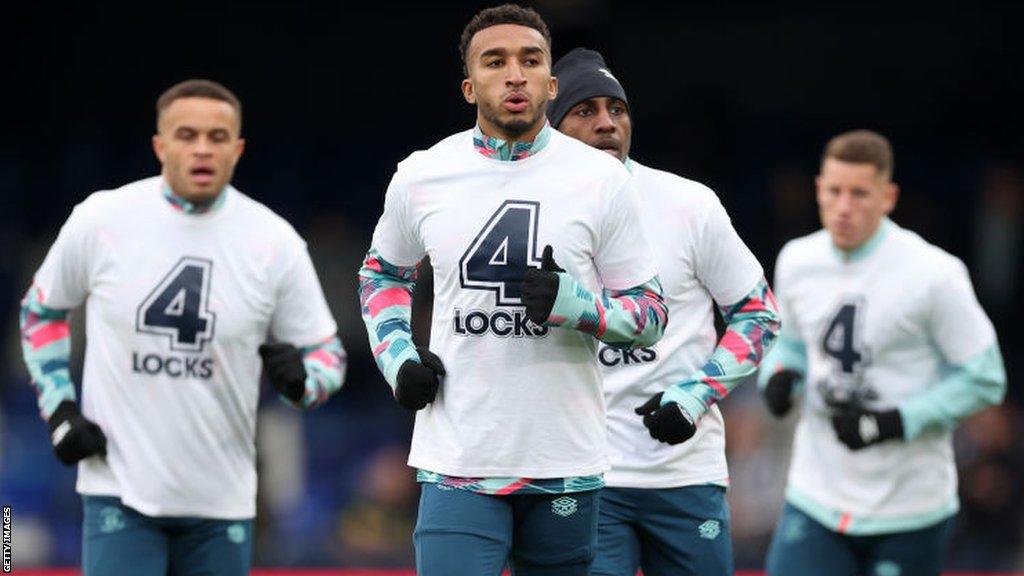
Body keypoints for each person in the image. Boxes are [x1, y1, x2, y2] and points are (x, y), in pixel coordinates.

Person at [357, 6, 668, 576]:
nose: (515, 75)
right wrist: (398, 359)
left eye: (530, 60)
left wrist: (579, 308)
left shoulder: (603, 181)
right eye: (495, 62)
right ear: (470, 86)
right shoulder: (421, 174)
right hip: (458, 458)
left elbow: (650, 315)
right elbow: (381, 276)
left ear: (551, 83)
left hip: (565, 458)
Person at [19, 79, 346, 576]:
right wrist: (60, 408)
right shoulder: (102, 219)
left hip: (223, 502)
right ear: (159, 145)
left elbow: (328, 355)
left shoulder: (274, 241)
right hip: (119, 492)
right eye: (186, 134)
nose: (201, 149)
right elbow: (40, 312)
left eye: (217, 137)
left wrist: (304, 384)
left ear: (237, 150)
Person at [549, 47, 781, 576]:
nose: (607, 123)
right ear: (550, 127)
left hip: (683, 471)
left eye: (617, 109)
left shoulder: (688, 204)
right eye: (585, 111)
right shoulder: (529, 213)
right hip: (580, 474)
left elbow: (758, 313)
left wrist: (697, 395)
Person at [758, 129, 1006, 576]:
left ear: (888, 197)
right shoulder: (796, 260)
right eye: (834, 191)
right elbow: (791, 343)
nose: (844, 207)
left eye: (860, 193)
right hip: (817, 493)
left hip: (910, 505)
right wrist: (777, 374)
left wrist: (896, 421)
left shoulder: (935, 273)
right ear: (818, 189)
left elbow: (986, 377)